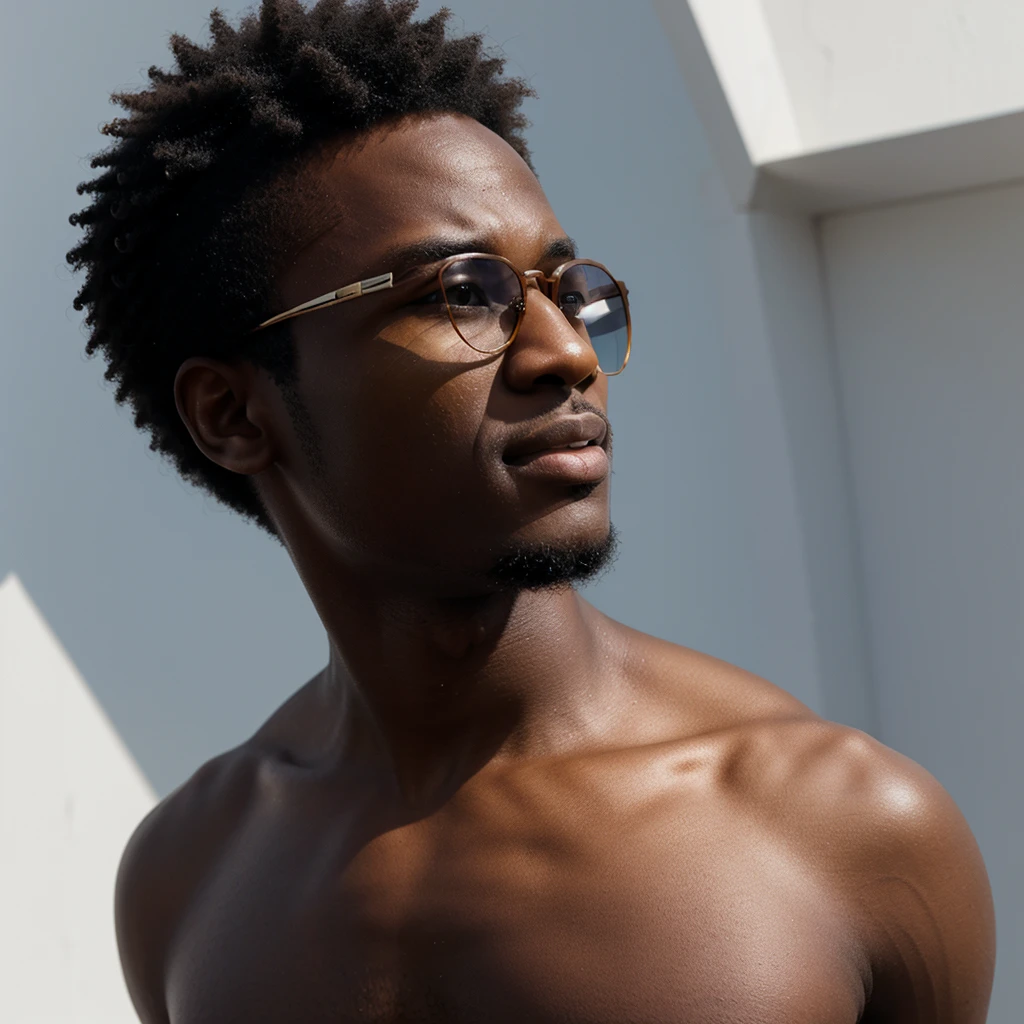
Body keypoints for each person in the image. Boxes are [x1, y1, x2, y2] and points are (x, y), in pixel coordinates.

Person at [68, 2, 996, 1021]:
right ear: (232, 412)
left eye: (565, 288)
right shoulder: (189, 874)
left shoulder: (842, 824)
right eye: (461, 292)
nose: (567, 352)